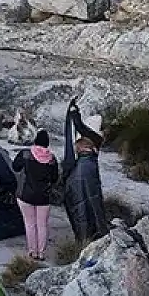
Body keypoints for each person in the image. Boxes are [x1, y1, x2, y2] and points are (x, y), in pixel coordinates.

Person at [62, 98, 107, 243]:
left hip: (85, 170)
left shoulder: (95, 137)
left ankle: (85, 235)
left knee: (83, 204)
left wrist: (74, 113)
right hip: (87, 170)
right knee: (90, 202)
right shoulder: (95, 140)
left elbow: (80, 127)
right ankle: (92, 232)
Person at [12, 130, 60, 260]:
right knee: (42, 225)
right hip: (44, 197)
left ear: (35, 140)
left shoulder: (25, 154)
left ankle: (32, 251)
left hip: (25, 195)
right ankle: (41, 253)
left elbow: (15, 167)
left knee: (29, 224)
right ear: (47, 144)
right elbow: (55, 178)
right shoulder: (52, 159)